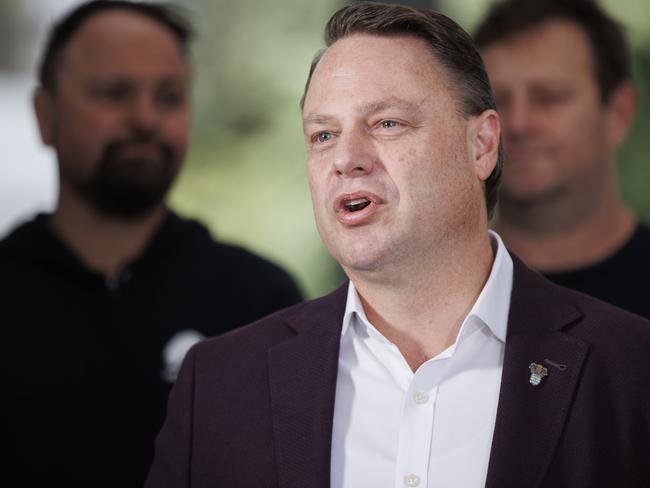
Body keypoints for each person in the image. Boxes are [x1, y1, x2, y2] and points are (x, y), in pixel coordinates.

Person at [146, 2, 650, 487]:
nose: (346, 158)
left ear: (482, 145)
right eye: (323, 135)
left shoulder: (630, 368)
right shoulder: (220, 384)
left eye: (387, 123)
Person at [0, 1, 302, 486]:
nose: (144, 118)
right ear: (45, 113)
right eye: (114, 93)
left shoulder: (260, 303)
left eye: (168, 96)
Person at [474, 0, 650, 318]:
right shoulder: (436, 293)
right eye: (497, 101)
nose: (518, 123)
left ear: (618, 113)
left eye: (549, 97)